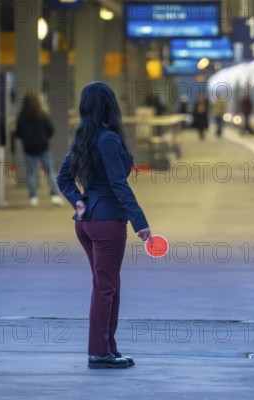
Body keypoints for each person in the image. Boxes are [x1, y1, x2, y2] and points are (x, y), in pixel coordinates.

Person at [57, 82, 152, 369]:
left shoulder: (82, 137)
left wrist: (78, 201)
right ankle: (99, 352)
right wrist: (140, 222)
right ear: (110, 106)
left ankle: (108, 348)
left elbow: (62, 178)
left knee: (108, 284)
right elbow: (118, 185)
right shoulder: (108, 139)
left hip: (86, 223)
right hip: (108, 222)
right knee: (105, 287)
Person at [14, 93, 63, 207]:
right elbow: (51, 130)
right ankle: (54, 195)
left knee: (31, 172)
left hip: (28, 148)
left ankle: (33, 198)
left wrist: (26, 138)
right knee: (50, 171)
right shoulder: (43, 114)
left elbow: (18, 133)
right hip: (43, 147)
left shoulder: (22, 116)